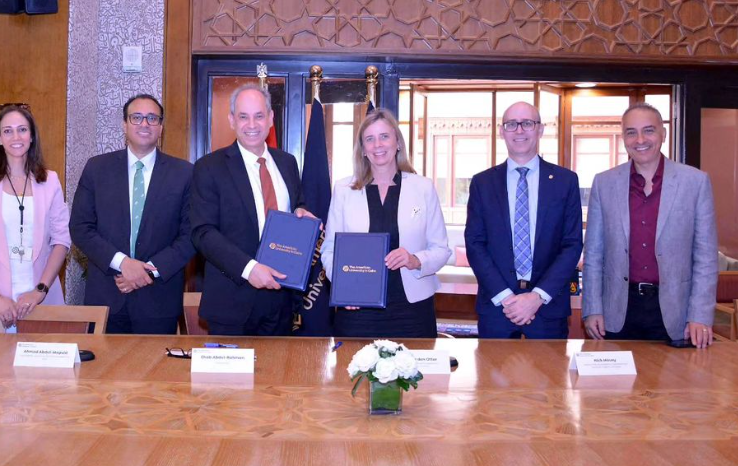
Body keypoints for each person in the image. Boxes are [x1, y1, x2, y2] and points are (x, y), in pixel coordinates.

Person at [582, 103, 718, 348]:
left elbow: (706, 257)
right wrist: (592, 308)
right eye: (631, 132)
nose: (640, 140)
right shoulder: (604, 183)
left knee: (680, 375)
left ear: (663, 134)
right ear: (624, 138)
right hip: (617, 312)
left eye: (649, 130)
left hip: (677, 314)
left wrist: (699, 315)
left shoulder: (695, 182)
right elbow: (593, 254)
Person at [191, 83, 314, 336]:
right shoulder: (209, 167)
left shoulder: (287, 163)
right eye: (243, 117)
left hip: (281, 300)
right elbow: (203, 232)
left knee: (279, 364)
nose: (252, 124)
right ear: (231, 120)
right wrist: (249, 269)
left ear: (270, 118)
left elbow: (296, 205)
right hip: (232, 302)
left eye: (259, 116)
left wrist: (301, 213)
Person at [70, 94, 195, 334]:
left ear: (161, 127)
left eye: (152, 118)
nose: (144, 124)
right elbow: (80, 227)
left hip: (159, 302)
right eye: (136, 117)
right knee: (103, 361)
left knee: (156, 360)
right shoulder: (97, 168)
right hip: (106, 299)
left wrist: (148, 271)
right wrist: (123, 264)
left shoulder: (184, 173)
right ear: (124, 125)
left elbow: (190, 235)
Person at [321, 108, 451, 338]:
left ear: (397, 142)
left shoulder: (423, 188)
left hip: (412, 309)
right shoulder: (343, 190)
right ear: (363, 149)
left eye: (384, 136)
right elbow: (329, 250)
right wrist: (344, 287)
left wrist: (415, 259)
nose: (378, 145)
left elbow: (441, 249)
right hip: (357, 309)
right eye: (369, 139)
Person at [465, 102, 583, 339]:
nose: (519, 130)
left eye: (527, 123)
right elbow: (475, 244)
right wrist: (506, 298)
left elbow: (571, 245)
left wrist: (537, 296)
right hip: (497, 307)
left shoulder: (565, 181)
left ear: (540, 129)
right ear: (502, 131)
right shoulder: (482, 183)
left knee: (549, 366)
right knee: (492, 366)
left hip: (548, 307)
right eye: (511, 124)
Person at [0, 104, 70, 331]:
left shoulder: (50, 180)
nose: (16, 137)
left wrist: (39, 291)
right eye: (7, 131)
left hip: (38, 296)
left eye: (22, 129)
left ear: (32, 136)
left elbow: (61, 240)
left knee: (40, 354)